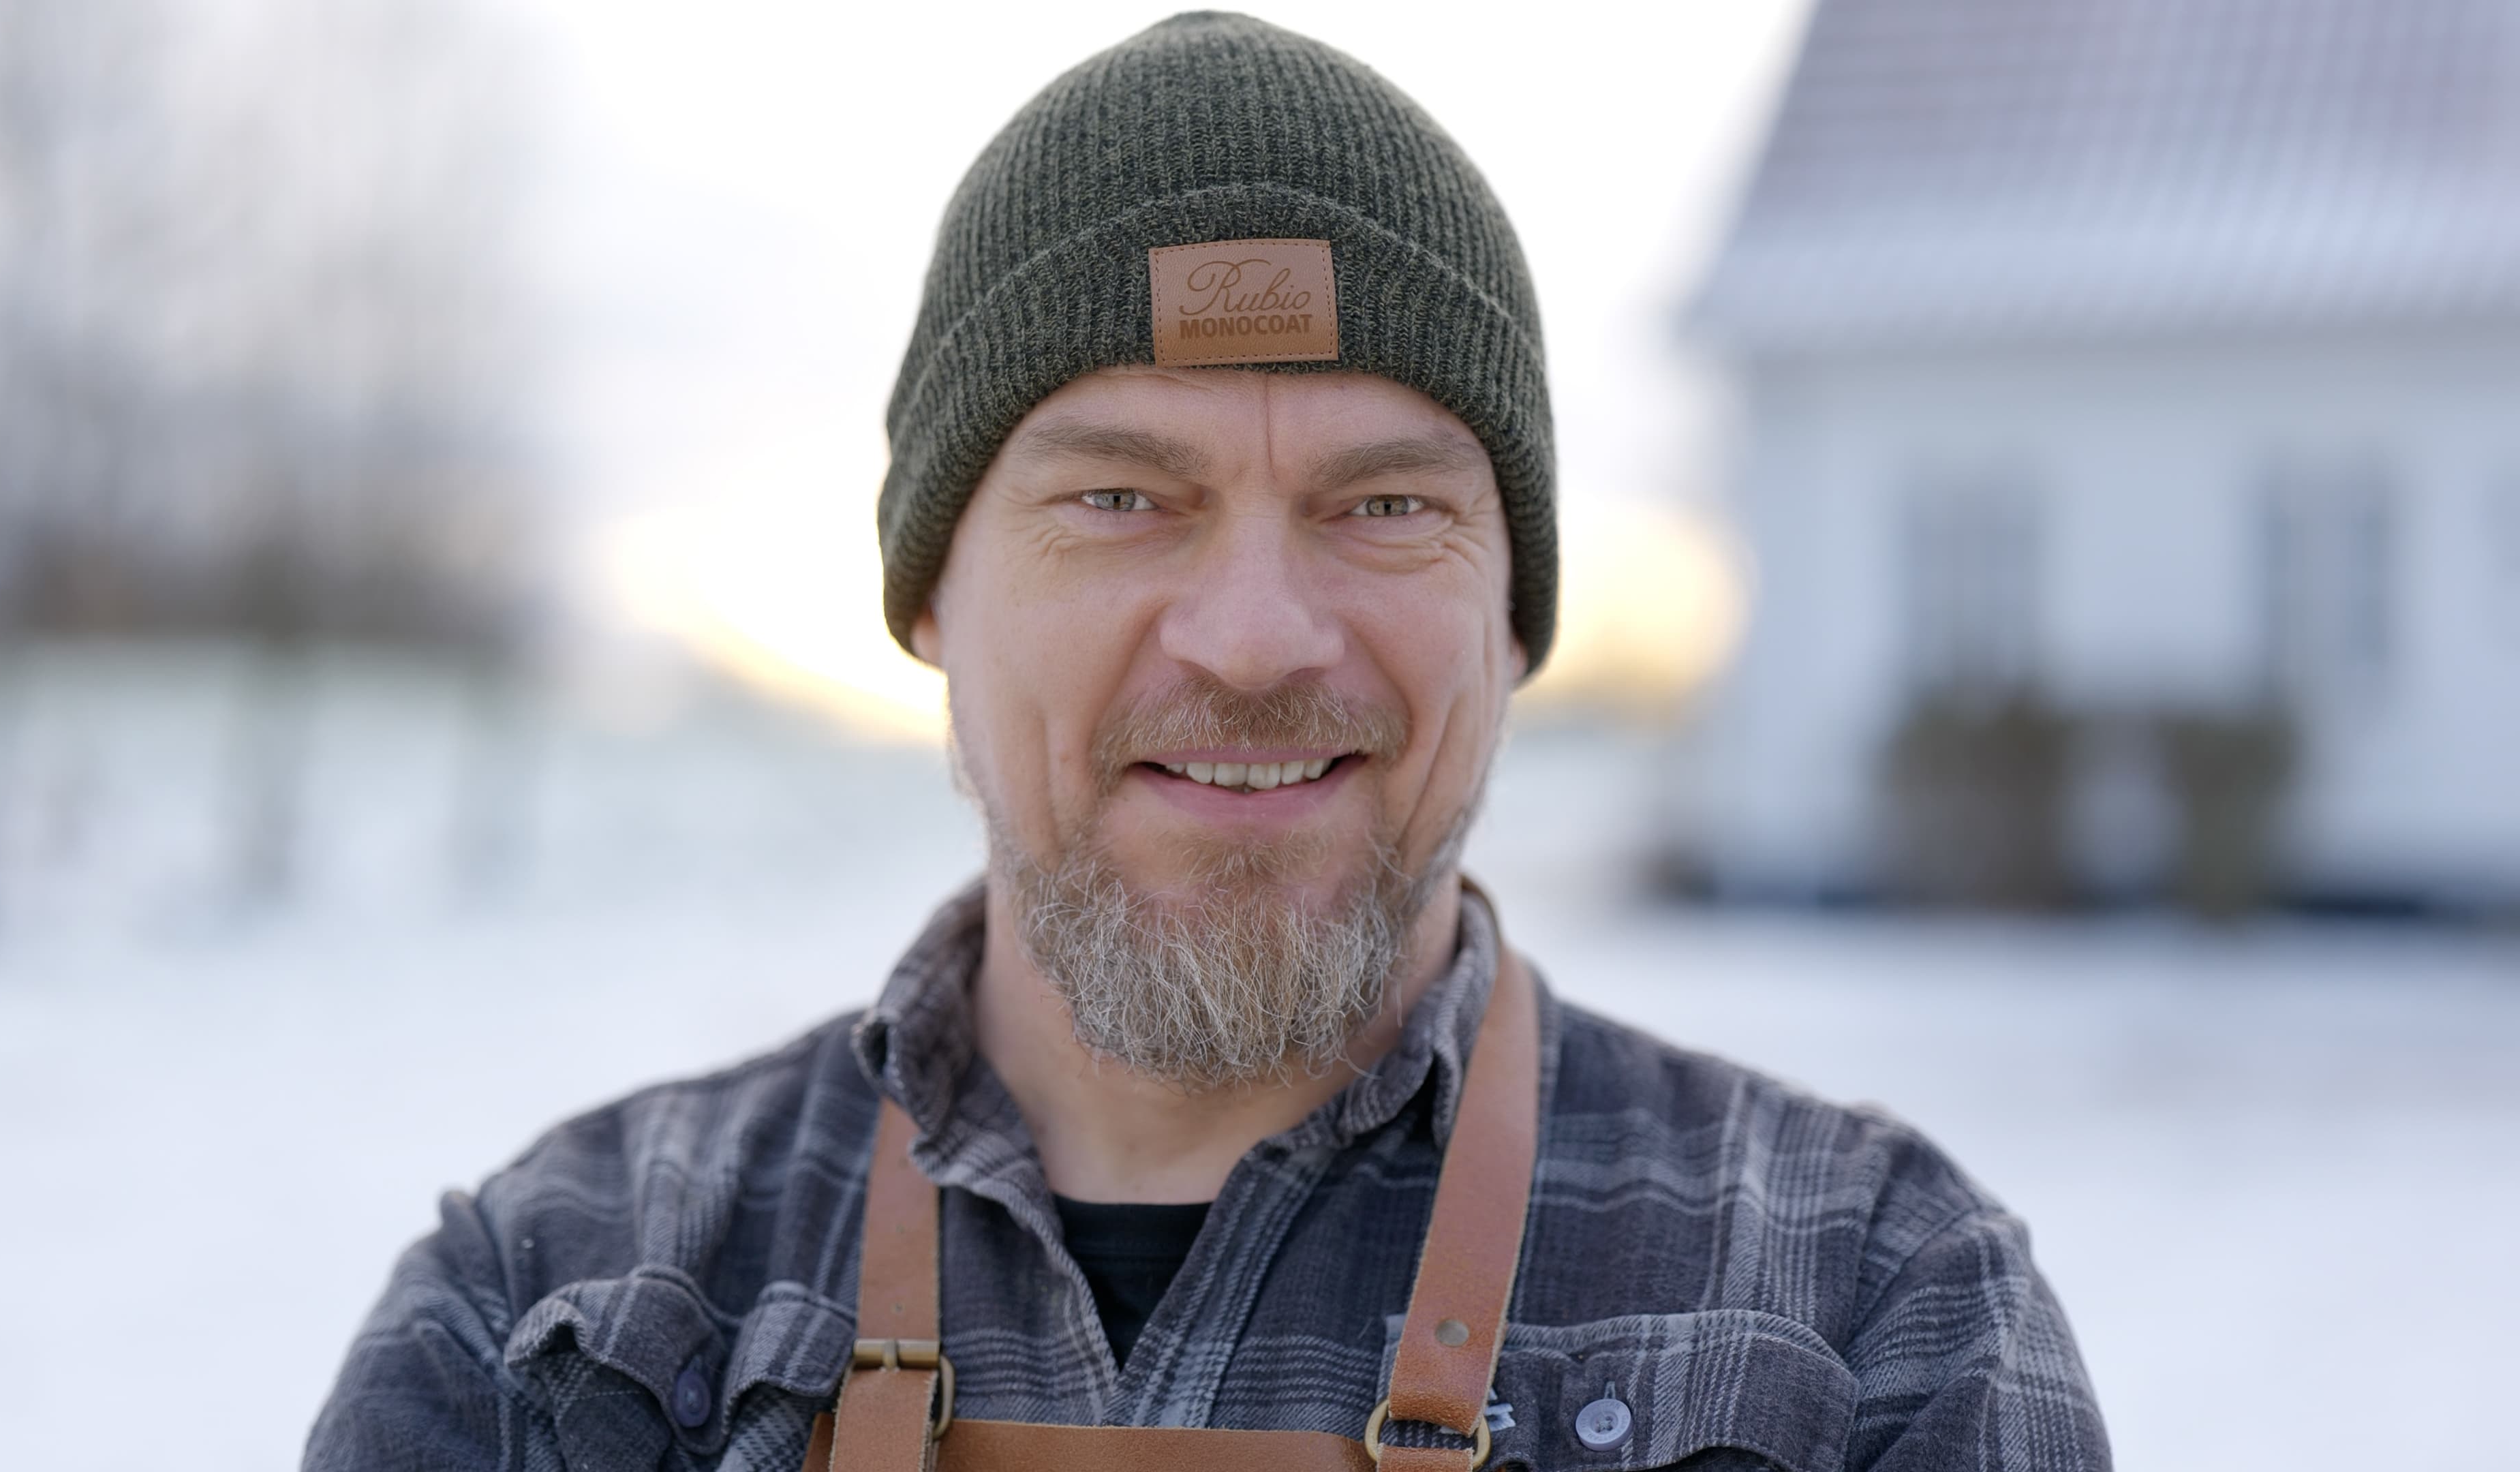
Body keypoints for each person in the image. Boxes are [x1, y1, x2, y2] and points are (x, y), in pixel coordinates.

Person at [307, 14, 2110, 1471]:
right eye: (1118, 495)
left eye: (1384, 507)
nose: (1254, 636)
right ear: (932, 598)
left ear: (1511, 618)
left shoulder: (1868, 1328)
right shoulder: (556, 1339)